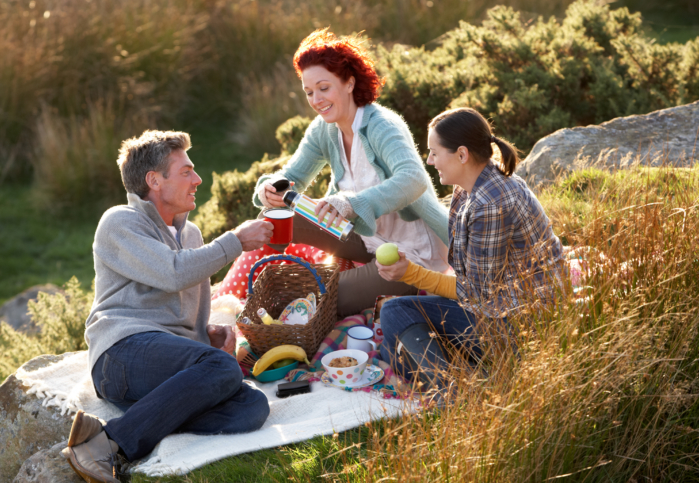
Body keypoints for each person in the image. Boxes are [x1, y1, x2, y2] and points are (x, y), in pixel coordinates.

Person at [62, 130, 274, 482]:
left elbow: (186, 309)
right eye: (186, 171)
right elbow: (172, 273)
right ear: (154, 180)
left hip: (160, 364)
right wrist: (236, 241)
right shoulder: (120, 223)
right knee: (222, 370)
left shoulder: (191, 236)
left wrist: (206, 342)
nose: (198, 179)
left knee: (252, 406)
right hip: (121, 353)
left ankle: (136, 421)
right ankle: (106, 444)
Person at [252, 29, 450, 317]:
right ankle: (268, 281)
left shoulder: (382, 126)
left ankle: (298, 300)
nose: (316, 100)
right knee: (270, 220)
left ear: (349, 83)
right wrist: (269, 188)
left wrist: (349, 204)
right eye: (309, 92)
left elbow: (414, 179)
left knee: (325, 296)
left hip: (409, 250)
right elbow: (292, 175)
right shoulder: (324, 129)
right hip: (361, 236)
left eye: (324, 88)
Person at [376, 107, 567, 396]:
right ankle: (462, 370)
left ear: (462, 155)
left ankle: (450, 393)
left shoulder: (489, 204)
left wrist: (410, 274)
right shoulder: (472, 187)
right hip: (505, 307)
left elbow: (475, 293)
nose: (429, 160)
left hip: (522, 327)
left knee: (395, 313)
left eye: (434, 152)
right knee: (396, 329)